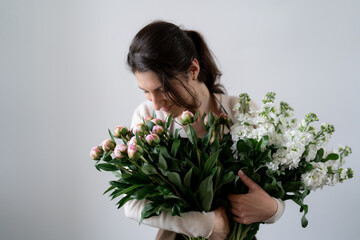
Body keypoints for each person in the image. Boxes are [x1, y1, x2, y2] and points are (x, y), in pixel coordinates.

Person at [124, 20, 285, 240]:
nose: (156, 103)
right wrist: (204, 224)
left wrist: (274, 209)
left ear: (193, 69)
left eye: (162, 90)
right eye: (146, 92)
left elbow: (276, 178)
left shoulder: (240, 110)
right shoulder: (148, 118)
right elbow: (133, 204)